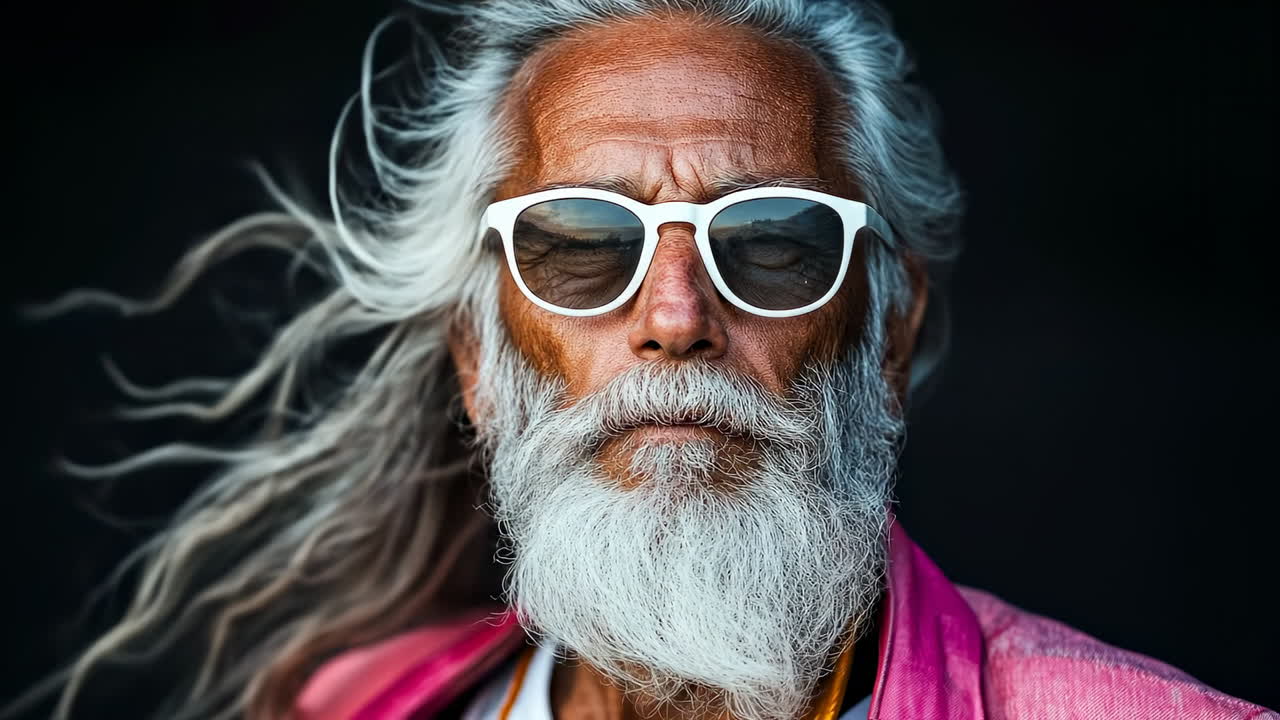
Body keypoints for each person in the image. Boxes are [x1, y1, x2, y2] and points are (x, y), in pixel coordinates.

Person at [20, 1, 1276, 719]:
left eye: (772, 245)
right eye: (578, 246)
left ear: (882, 337)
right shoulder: (361, 705)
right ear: (479, 355)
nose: (674, 314)